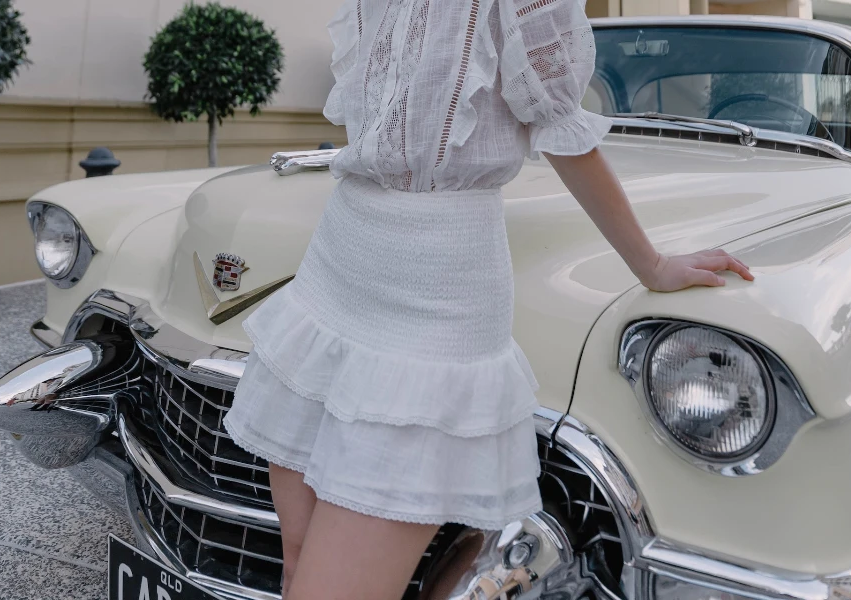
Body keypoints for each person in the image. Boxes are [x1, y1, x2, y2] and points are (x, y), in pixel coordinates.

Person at [224, 0, 754, 598]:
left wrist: (651, 264)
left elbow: (560, 125)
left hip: (435, 304)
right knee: (296, 568)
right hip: (333, 273)